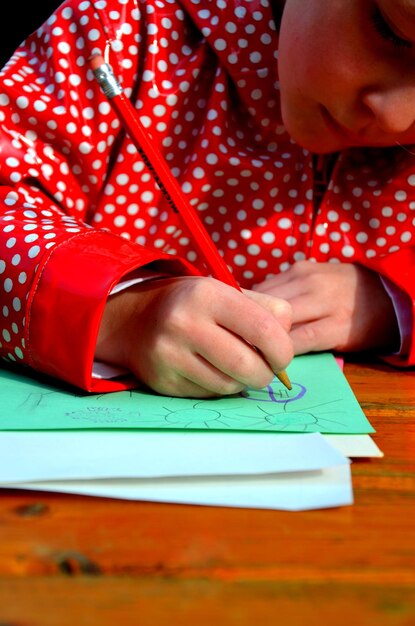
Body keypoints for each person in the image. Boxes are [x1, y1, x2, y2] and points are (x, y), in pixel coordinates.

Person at [0, 0, 414, 398]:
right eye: (392, 32)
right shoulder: (122, 26)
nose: (397, 117)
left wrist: (391, 297)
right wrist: (126, 313)